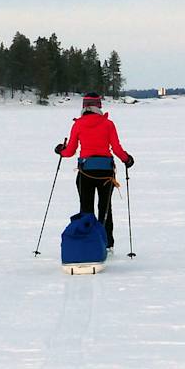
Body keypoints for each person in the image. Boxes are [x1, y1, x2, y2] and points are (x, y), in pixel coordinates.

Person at [54, 92, 134, 253]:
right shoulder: (108, 124)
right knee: (105, 208)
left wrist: (60, 151)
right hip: (106, 172)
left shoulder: (78, 124)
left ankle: (87, 243)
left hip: (85, 172)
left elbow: (70, 151)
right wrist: (127, 159)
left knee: (86, 208)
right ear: (98, 106)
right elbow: (116, 148)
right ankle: (107, 243)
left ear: (84, 107)